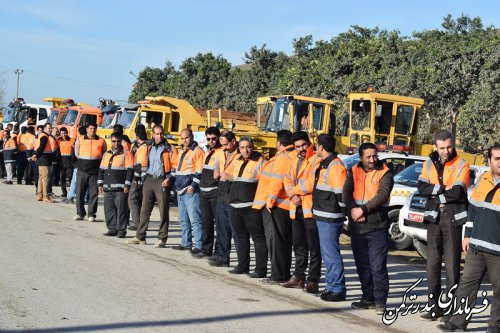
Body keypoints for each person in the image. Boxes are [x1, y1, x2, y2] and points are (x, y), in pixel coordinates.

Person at [438, 144, 500, 332]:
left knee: (499, 290)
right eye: (497, 159)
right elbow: (472, 210)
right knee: (466, 286)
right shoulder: (484, 179)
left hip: (498, 251)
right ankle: (457, 322)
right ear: (489, 160)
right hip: (475, 247)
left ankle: (495, 326)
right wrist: (467, 236)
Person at [418, 130, 470, 321]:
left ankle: (450, 310)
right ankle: (434, 307)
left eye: (449, 146)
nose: (446, 151)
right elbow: (421, 188)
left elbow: (457, 193)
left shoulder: (462, 164)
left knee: (452, 266)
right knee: (432, 264)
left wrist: (435, 192)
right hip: (434, 218)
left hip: (453, 218)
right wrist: (442, 189)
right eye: (442, 147)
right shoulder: (428, 163)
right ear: (435, 147)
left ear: (453, 144)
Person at [343, 142, 394, 314]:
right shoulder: (353, 171)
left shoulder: (385, 172)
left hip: (376, 225)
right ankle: (367, 298)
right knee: (362, 265)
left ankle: (380, 301)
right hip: (357, 225)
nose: (372, 160)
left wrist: (362, 209)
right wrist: (353, 210)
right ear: (361, 158)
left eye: (374, 156)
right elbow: (346, 193)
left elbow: (382, 195)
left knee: (377, 265)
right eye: (368, 157)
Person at [282, 131, 322, 293]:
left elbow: (311, 183)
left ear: (309, 143)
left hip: (310, 210)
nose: (301, 149)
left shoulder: (316, 160)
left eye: (303, 145)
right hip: (296, 208)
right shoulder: (294, 161)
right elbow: (286, 179)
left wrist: (294, 192)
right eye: (297, 147)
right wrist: (292, 194)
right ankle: (298, 276)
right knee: (299, 245)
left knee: (314, 247)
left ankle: (313, 280)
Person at [253, 130, 295, 284]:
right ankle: (283, 273)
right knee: (283, 242)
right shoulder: (293, 155)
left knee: (276, 242)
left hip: (277, 205)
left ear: (278, 142)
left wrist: (270, 202)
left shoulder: (283, 158)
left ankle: (278, 275)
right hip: (285, 205)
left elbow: (277, 182)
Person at [222, 137, 267, 277]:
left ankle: (260, 269)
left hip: (250, 207)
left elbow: (264, 183)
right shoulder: (237, 160)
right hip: (235, 205)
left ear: (252, 147)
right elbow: (233, 177)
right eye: (242, 147)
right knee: (241, 237)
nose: (245, 150)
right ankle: (243, 266)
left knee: (258, 238)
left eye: (248, 147)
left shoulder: (260, 161)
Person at [127, 125, 177, 247]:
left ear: (163, 134)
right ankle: (140, 236)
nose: (159, 136)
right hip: (148, 180)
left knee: (163, 211)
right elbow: (140, 163)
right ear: (153, 134)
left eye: (161, 134)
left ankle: (162, 238)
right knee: (145, 210)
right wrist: (139, 178)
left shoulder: (170, 148)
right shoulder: (148, 147)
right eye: (156, 134)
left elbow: (176, 167)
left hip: (162, 181)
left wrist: (169, 178)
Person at [209, 130, 240, 268]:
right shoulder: (221, 152)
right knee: (222, 228)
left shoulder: (242, 153)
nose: (223, 147)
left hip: (234, 191)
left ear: (233, 141)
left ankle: (242, 262)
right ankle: (222, 258)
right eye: (222, 145)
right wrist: (216, 171)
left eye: (226, 144)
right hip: (222, 191)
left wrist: (231, 177)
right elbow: (217, 164)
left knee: (236, 230)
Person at [171, 128, 204, 252]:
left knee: (195, 219)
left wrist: (193, 186)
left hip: (190, 190)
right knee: (183, 219)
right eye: (182, 138)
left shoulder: (198, 151)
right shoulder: (182, 151)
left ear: (192, 137)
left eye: (187, 138)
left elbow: (200, 172)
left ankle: (199, 245)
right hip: (180, 189)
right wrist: (169, 179)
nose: (184, 140)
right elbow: (176, 169)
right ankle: (186, 243)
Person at [98, 132, 134, 238]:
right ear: (111, 141)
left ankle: (121, 231)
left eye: (118, 141)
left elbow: (130, 170)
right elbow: (101, 170)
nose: (116, 143)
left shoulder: (127, 153)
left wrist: (127, 185)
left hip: (120, 188)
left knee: (122, 210)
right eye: (114, 141)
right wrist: (100, 183)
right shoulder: (106, 154)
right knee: (109, 210)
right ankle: (112, 229)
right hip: (108, 187)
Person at [195, 126, 223, 258]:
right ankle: (206, 249)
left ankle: (218, 252)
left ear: (218, 138)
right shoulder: (207, 152)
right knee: (206, 222)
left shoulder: (221, 152)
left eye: (213, 139)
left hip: (214, 191)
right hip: (204, 191)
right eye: (208, 139)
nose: (211, 141)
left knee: (219, 224)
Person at [73, 123, 107, 222]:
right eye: (91, 128)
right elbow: (76, 153)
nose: (92, 130)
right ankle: (80, 213)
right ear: (87, 129)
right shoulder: (79, 139)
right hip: (82, 170)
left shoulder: (101, 141)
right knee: (79, 192)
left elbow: (104, 154)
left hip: (95, 171)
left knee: (93, 194)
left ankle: (91, 214)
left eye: (94, 128)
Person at [127, 129, 148, 231]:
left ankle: (136, 222)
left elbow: (139, 165)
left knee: (132, 199)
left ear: (138, 137)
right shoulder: (148, 146)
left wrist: (136, 178)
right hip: (145, 178)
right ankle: (141, 222)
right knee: (140, 200)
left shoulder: (142, 148)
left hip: (139, 178)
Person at [32, 123, 58, 202]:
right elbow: (41, 147)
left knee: (41, 178)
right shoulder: (45, 136)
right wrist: (35, 155)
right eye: (48, 128)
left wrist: (36, 155)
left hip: (42, 159)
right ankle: (45, 196)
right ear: (44, 128)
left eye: (51, 128)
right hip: (44, 159)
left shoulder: (43, 135)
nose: (50, 129)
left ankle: (40, 195)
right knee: (46, 178)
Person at [58, 127, 75, 198]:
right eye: (62, 133)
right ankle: (64, 191)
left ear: (67, 133)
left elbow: (75, 151)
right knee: (62, 177)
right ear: (60, 133)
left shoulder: (72, 140)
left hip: (70, 161)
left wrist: (74, 161)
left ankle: (71, 192)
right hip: (61, 161)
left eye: (65, 133)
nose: (63, 134)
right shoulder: (58, 140)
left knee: (71, 177)